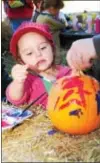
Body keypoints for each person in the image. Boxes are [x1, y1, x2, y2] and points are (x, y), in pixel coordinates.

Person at [6, 22, 73, 109]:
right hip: (42, 121)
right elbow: (14, 98)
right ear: (21, 61)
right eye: (29, 53)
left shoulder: (68, 72)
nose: (38, 54)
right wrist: (17, 82)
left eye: (43, 48)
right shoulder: (27, 80)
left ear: (52, 49)